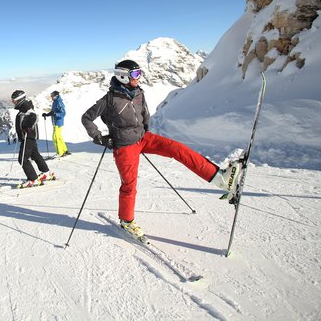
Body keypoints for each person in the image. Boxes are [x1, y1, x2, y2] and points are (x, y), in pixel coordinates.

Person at [81, 59, 242, 239]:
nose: (138, 77)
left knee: (177, 149)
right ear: (123, 76)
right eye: (135, 74)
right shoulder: (109, 100)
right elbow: (86, 118)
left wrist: (144, 131)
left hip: (143, 138)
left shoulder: (138, 93)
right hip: (125, 146)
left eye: (139, 73)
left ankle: (219, 178)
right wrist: (100, 138)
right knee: (129, 185)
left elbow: (145, 114)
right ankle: (126, 221)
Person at [11, 90, 54, 188]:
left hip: (28, 136)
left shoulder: (26, 106)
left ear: (19, 99)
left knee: (22, 159)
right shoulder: (24, 107)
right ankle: (46, 173)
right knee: (35, 155)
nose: (13, 102)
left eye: (14, 100)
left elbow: (34, 116)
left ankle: (33, 179)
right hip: (29, 136)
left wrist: (28, 127)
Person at [43, 90, 71, 158]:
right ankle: (65, 150)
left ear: (56, 96)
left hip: (58, 123)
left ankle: (60, 152)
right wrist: (47, 114)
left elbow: (63, 113)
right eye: (51, 96)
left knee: (55, 137)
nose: (51, 97)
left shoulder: (59, 102)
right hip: (55, 122)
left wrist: (55, 114)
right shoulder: (55, 102)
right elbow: (53, 112)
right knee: (58, 137)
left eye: (52, 96)